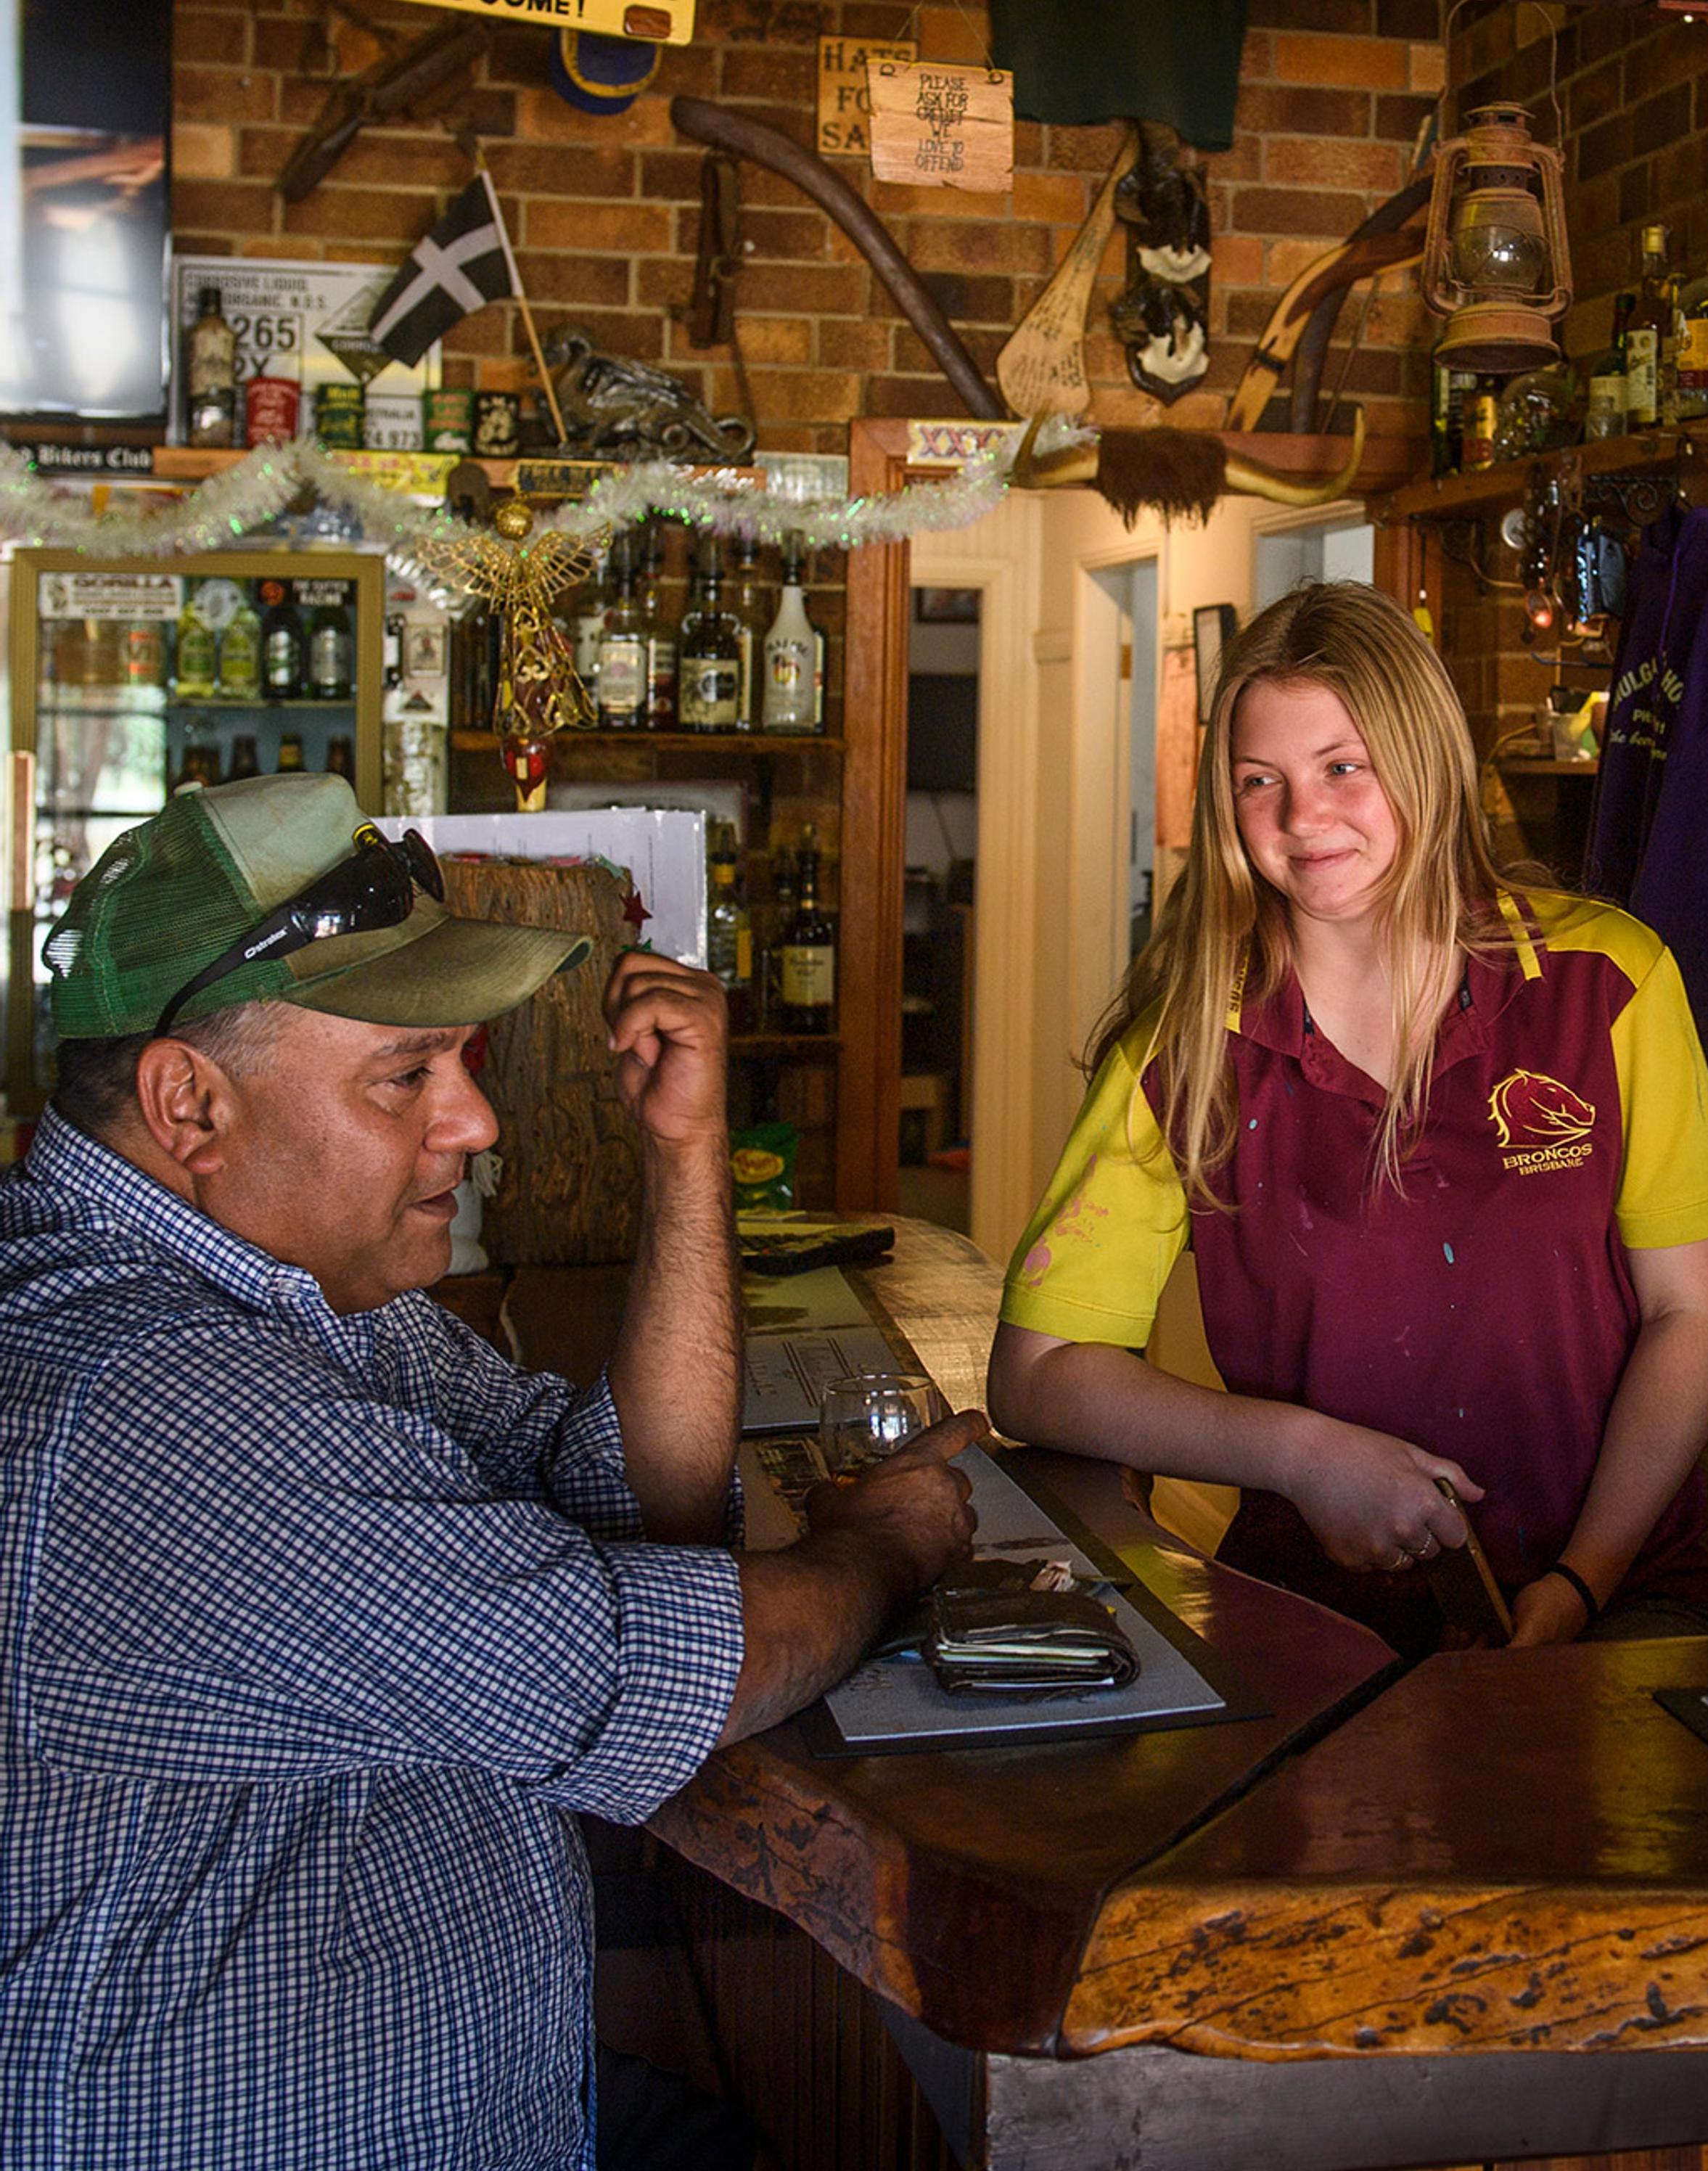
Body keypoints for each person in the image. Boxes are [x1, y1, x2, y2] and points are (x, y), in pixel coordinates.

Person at [0, 775, 982, 2170]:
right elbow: (640, 1676)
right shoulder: (152, 1403)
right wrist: (883, 1549)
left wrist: (686, 1154)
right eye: (407, 1076)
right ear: (188, 1104)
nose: (476, 1122)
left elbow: (634, 1504)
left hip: (479, 2096)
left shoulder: (298, 1305)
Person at [987, 582, 1708, 1654]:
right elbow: (1037, 1371)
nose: (1303, 817)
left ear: (1425, 757)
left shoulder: (1607, 983)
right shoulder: (1186, 1047)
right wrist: (1302, 1456)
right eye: (1263, 782)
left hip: (1622, 1601)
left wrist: (1581, 1581)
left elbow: (1693, 1317)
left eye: (1345, 766)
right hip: (1315, 1617)